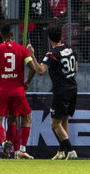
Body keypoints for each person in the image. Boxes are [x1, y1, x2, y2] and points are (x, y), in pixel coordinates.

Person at [0, 23, 39, 159]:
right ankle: (19, 150)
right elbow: (33, 68)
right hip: (17, 91)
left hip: (1, 91)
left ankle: (4, 142)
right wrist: (26, 82)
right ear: (11, 35)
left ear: (1, 36)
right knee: (22, 117)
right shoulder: (22, 49)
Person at [33, 24, 78, 160]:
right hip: (73, 88)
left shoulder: (52, 54)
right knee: (64, 120)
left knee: (55, 124)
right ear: (61, 36)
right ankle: (62, 151)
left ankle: (70, 150)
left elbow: (40, 70)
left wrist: (32, 56)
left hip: (61, 91)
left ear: (49, 39)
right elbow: (75, 69)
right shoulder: (70, 49)